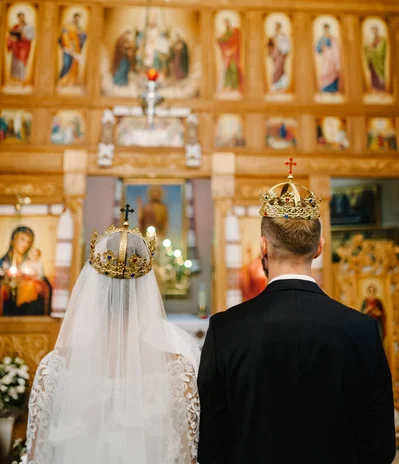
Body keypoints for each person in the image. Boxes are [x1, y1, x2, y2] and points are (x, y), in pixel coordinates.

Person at [198, 162, 395, 464]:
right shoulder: (363, 329)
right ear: (319, 247)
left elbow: (212, 445)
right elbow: (381, 446)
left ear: (263, 247)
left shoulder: (226, 330)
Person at [27, 212, 200, 464]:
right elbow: (187, 459)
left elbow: (36, 459)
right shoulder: (179, 374)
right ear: (146, 295)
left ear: (92, 292)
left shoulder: (52, 369)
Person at [57, 12, 87, 87]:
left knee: (74, 66)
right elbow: (64, 36)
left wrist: (81, 34)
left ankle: (71, 82)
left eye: (78, 19)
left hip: (76, 49)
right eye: (76, 18)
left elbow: (83, 37)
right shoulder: (67, 26)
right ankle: (61, 81)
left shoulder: (79, 28)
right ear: (74, 18)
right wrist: (69, 46)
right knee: (66, 64)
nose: (77, 20)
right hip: (68, 49)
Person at [6, 11, 35, 84]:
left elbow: (31, 36)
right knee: (15, 63)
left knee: (21, 63)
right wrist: (12, 38)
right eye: (20, 17)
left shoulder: (29, 27)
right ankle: (15, 80)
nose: (21, 19)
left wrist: (24, 36)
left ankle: (22, 80)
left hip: (24, 47)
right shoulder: (15, 27)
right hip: (16, 47)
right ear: (18, 18)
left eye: (22, 17)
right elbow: (10, 36)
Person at [217, 18, 243, 93]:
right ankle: (228, 86)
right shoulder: (224, 33)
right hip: (227, 55)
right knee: (227, 71)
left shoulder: (234, 31)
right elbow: (222, 42)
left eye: (227, 22)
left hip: (233, 55)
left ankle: (235, 86)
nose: (226, 24)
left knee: (234, 69)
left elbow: (236, 42)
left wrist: (232, 50)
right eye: (225, 23)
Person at [315, 22, 341, 93]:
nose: (326, 30)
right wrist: (321, 47)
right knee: (325, 71)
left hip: (332, 57)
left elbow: (336, 47)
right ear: (324, 29)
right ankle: (325, 89)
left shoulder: (332, 38)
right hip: (325, 58)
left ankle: (334, 89)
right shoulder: (322, 39)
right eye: (325, 29)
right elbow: (317, 48)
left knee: (333, 71)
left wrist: (330, 47)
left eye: (327, 29)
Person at [267, 21, 291, 91]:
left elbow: (287, 46)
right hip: (275, 56)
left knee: (279, 69)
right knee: (276, 69)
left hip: (281, 55)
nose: (276, 28)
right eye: (275, 27)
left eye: (278, 27)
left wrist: (282, 50)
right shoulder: (273, 37)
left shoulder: (283, 36)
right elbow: (269, 46)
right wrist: (271, 52)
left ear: (280, 27)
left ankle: (279, 84)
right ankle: (276, 85)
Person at [364, 25, 387, 92]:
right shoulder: (372, 39)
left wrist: (374, 51)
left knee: (380, 74)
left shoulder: (381, 39)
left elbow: (381, 50)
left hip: (378, 61)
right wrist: (368, 48)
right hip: (372, 61)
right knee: (373, 74)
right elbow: (368, 48)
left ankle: (381, 88)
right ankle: (375, 88)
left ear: (377, 31)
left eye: (375, 30)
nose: (374, 31)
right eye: (373, 30)